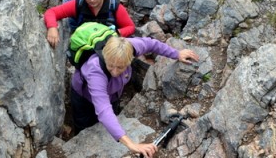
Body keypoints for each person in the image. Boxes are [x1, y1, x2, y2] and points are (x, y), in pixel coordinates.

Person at [70, 34, 199, 158]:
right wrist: (131, 145)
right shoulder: (95, 71)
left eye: (120, 67)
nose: (115, 72)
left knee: (112, 113)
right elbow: (103, 110)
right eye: (110, 66)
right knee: (84, 125)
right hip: (83, 97)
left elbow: (152, 44)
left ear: (130, 58)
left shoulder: (130, 47)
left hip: (113, 92)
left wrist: (176, 53)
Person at [45, 0, 135, 47]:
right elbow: (52, 12)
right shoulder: (79, 4)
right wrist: (52, 27)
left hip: (109, 47)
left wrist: (116, 33)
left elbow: (130, 27)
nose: (92, 0)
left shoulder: (114, 6)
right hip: (86, 47)